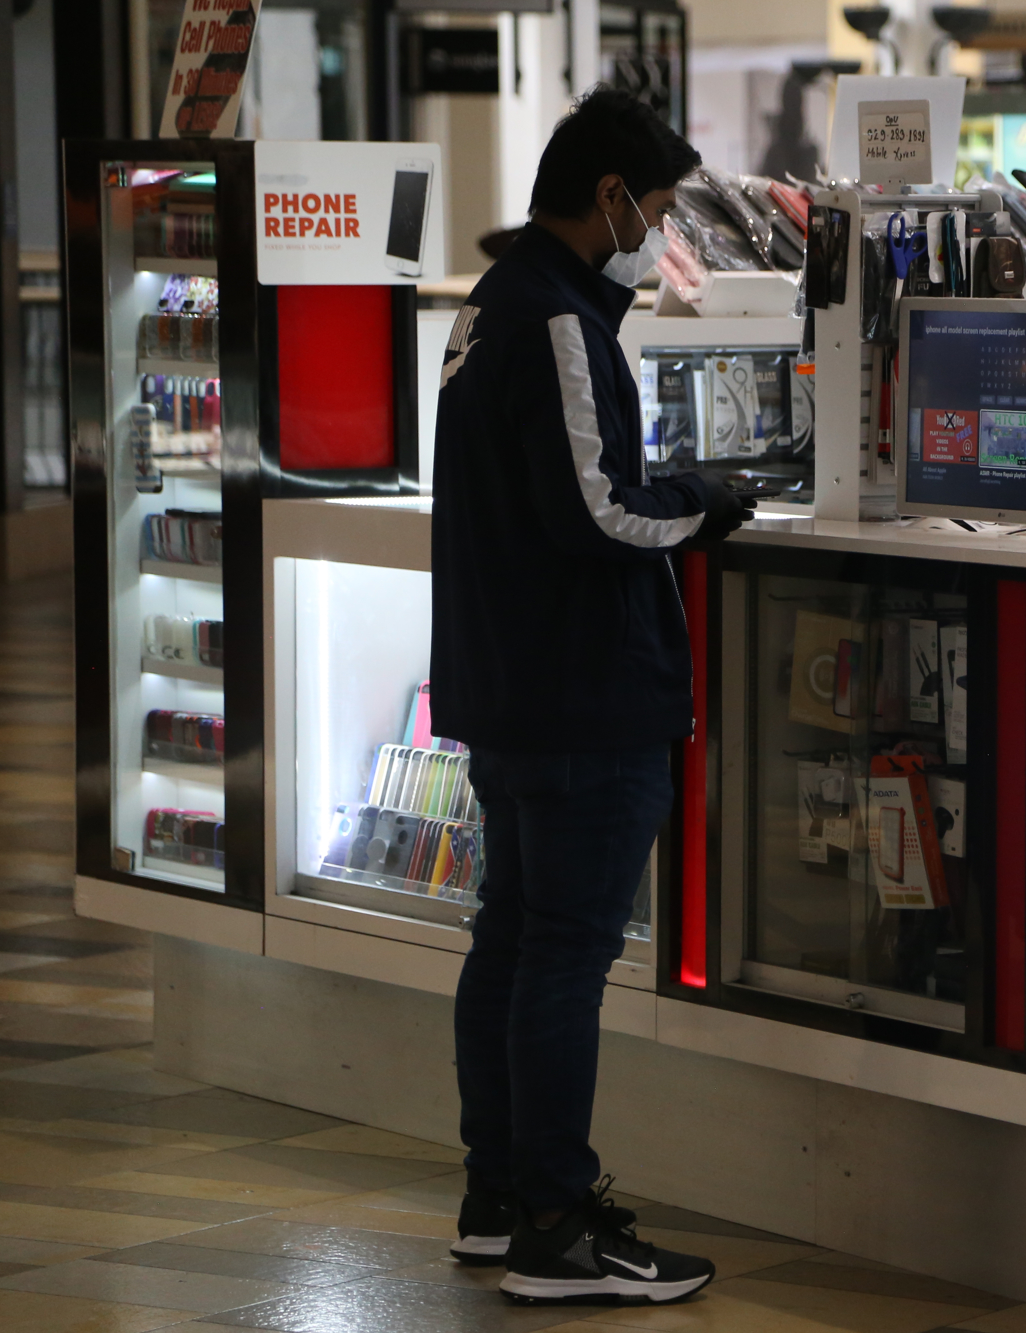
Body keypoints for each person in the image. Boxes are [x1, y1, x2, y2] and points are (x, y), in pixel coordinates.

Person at [429, 88, 754, 1306]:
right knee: (560, 954)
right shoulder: (555, 317)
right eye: (657, 209)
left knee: (512, 942)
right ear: (608, 196)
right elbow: (598, 509)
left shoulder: (496, 307)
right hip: (576, 695)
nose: (659, 233)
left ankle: (500, 1195)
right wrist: (704, 499)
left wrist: (670, 480)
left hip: (512, 685)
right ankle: (559, 1222)